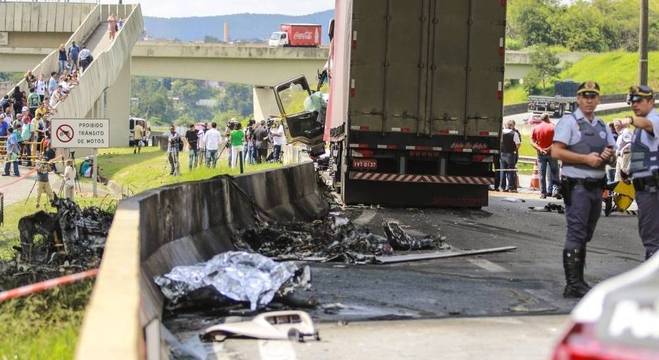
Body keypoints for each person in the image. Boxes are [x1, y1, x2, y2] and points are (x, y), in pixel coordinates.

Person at [552, 81, 616, 298]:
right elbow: (556, 152)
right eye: (585, 96)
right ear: (578, 99)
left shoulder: (602, 125)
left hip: (596, 187)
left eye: (593, 96)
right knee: (577, 233)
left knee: (586, 234)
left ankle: (578, 280)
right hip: (577, 186)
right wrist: (585, 159)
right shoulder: (569, 122)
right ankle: (573, 284)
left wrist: (609, 156)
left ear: (598, 100)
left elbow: (612, 153)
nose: (589, 100)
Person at [619, 85, 659, 260]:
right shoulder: (639, 129)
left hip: (653, 188)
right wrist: (628, 172)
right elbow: (643, 154)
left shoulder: (654, 120)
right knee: (649, 234)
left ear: (650, 101)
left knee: (652, 239)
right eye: (632, 102)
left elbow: (648, 124)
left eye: (639, 101)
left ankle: (653, 283)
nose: (634, 105)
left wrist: (629, 120)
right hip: (644, 188)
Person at [532, 114, 560, 198]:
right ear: (548, 118)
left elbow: (532, 141)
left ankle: (543, 193)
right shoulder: (553, 127)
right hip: (552, 153)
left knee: (542, 174)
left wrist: (540, 149)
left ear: (541, 119)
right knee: (554, 172)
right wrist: (548, 149)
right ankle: (555, 191)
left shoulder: (536, 128)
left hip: (541, 154)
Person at [499, 119, 520, 192]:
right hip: (510, 154)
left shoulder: (501, 133)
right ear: (511, 126)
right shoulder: (514, 133)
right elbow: (518, 145)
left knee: (502, 171)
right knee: (510, 171)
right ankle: (510, 187)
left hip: (502, 153)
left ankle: (502, 187)